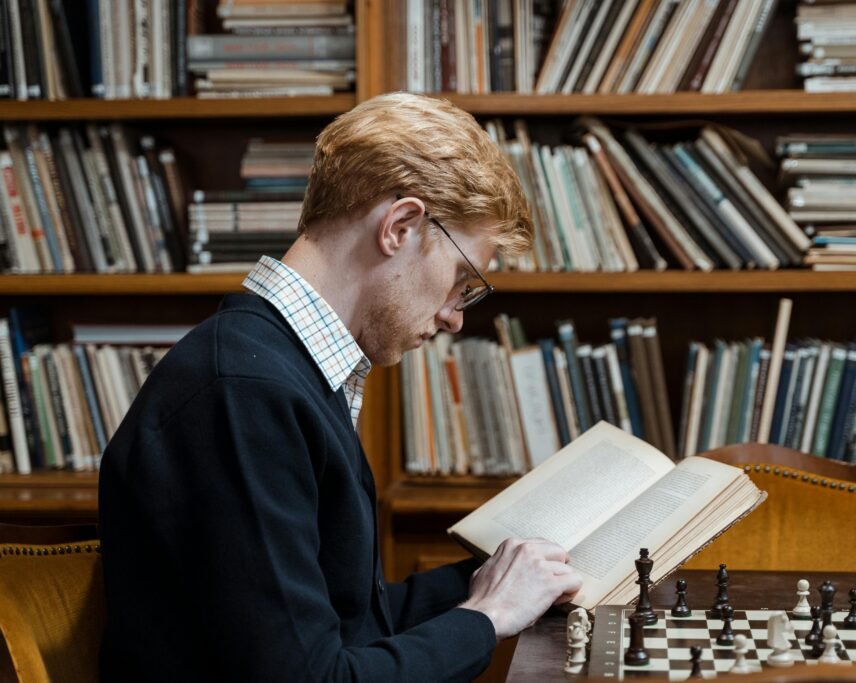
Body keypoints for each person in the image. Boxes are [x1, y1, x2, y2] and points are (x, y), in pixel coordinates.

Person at [99, 93, 583, 682]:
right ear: (400, 226)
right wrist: (488, 617)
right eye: (463, 279)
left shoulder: (283, 369)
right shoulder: (243, 393)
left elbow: (347, 624)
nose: (457, 316)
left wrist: (497, 582)